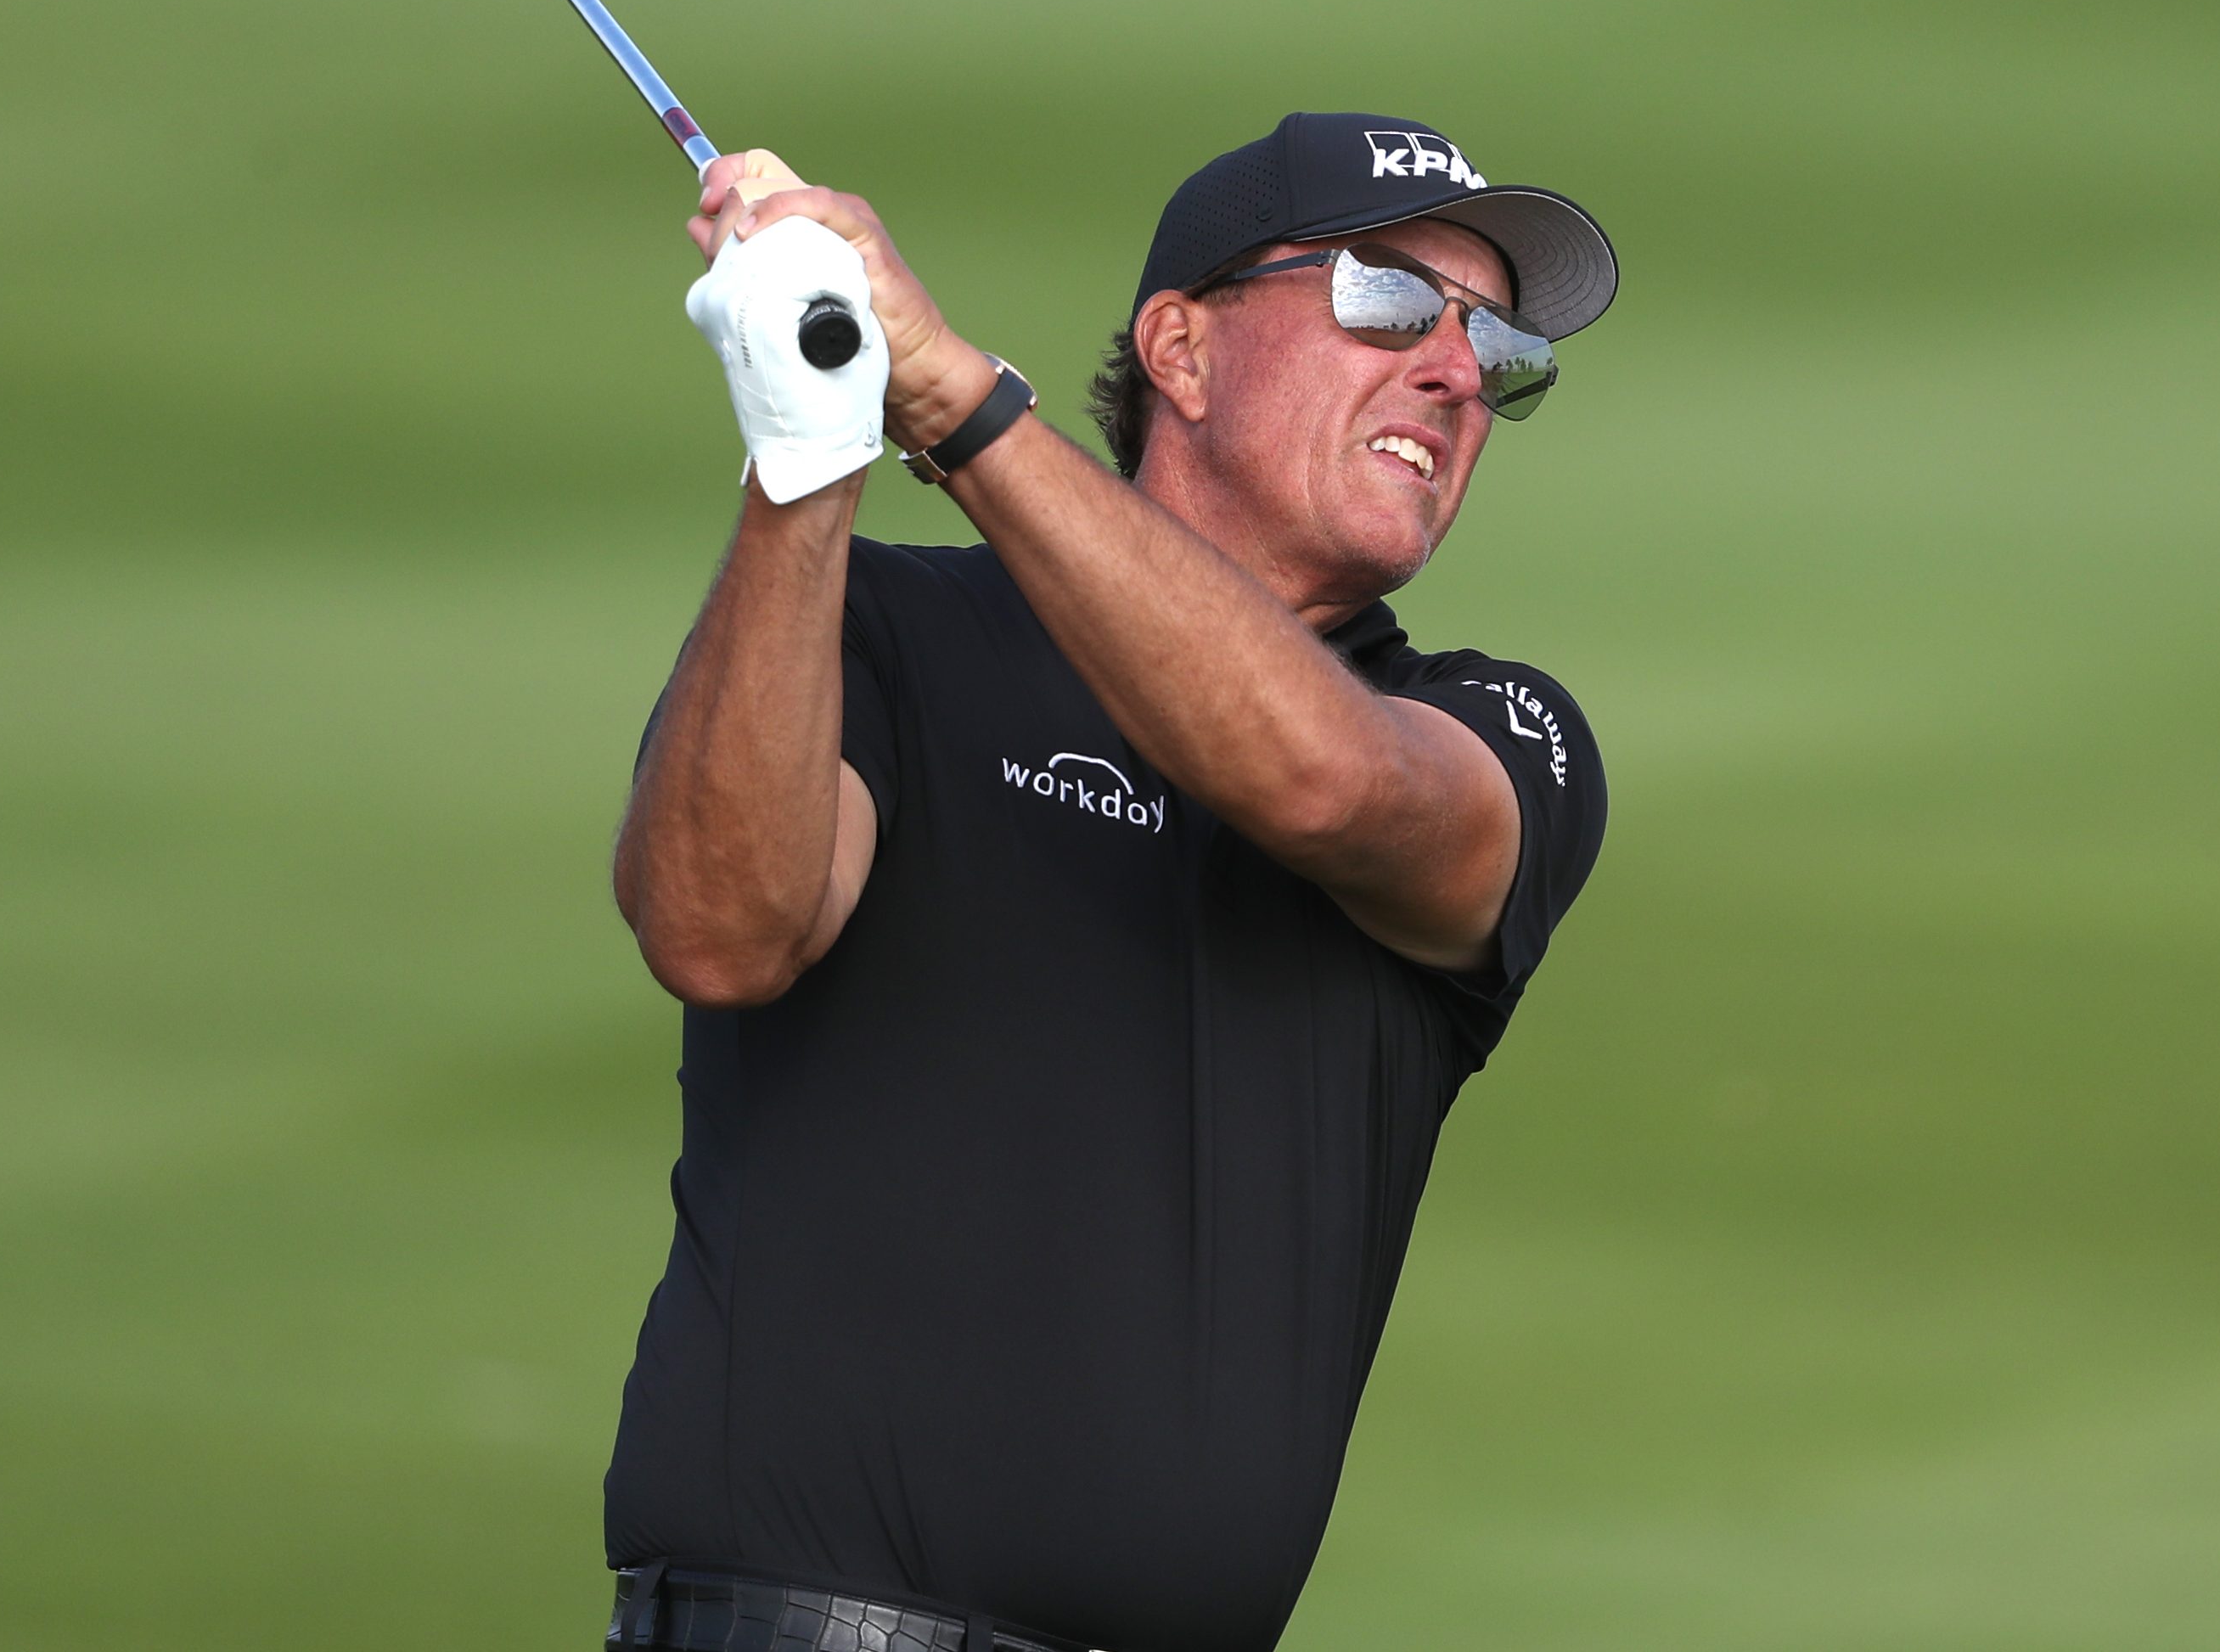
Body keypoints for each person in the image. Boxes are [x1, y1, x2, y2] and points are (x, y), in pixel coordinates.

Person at [604, 113, 1618, 1652]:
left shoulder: (1500, 735)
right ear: (1181, 351)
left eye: (1498, 347)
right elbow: (718, 930)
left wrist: (953, 399)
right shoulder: (883, 623)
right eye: (1393, 302)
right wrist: (805, 457)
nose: (1460, 371)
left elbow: (1320, 783)